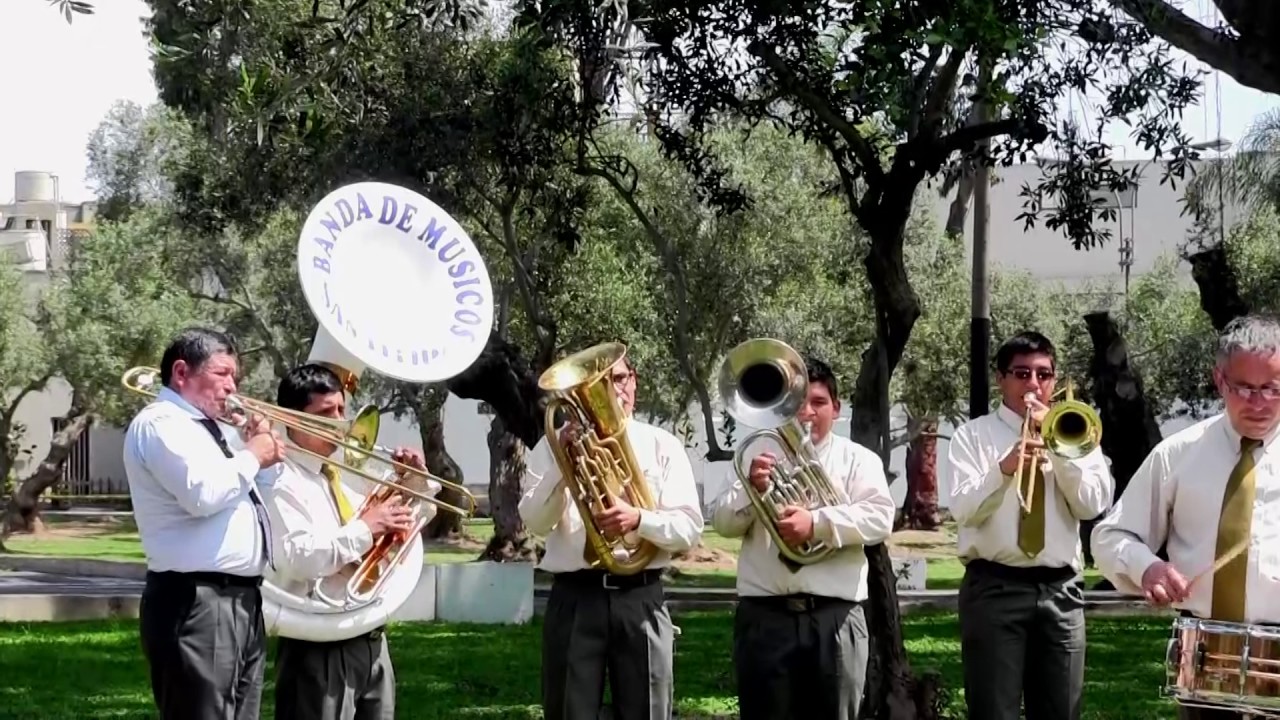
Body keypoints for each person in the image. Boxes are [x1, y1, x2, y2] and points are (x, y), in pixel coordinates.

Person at [1092, 314, 1280, 720]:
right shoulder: (1178, 454)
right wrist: (1147, 568)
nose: (1259, 402)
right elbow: (1110, 535)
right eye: (1244, 388)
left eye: (1273, 388)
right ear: (1219, 380)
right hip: (1203, 659)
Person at [519, 347, 704, 720]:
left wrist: (639, 520)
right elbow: (534, 524)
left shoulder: (662, 445)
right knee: (569, 709)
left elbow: (688, 529)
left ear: (633, 382)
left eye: (618, 378)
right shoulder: (552, 446)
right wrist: (562, 462)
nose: (611, 389)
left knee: (648, 710)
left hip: (641, 596)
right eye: (599, 383)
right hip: (575, 597)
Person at [709, 355, 894, 720]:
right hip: (765, 617)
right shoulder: (755, 456)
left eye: (819, 402)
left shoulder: (859, 460)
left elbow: (879, 520)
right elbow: (723, 524)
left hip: (835, 618)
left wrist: (817, 523)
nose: (807, 412)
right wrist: (753, 488)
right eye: (798, 402)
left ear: (837, 409)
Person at [947, 330, 1114, 720]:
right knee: (993, 710)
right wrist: (1004, 469)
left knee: (1061, 711)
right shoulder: (972, 437)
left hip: (1061, 590)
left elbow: (1092, 505)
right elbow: (964, 510)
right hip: (994, 587)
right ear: (1001, 378)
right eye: (1022, 374)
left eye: (1044, 374)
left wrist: (1061, 452)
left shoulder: (1079, 433)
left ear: (1055, 380)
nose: (1034, 385)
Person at [123, 327, 286, 720]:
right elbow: (202, 495)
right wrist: (251, 455)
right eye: (222, 374)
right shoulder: (161, 423)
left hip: (242, 598)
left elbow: (254, 491)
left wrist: (263, 453)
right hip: (195, 599)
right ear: (182, 372)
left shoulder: (219, 431)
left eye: (235, 377)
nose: (232, 387)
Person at [264, 363, 437, 720]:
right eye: (327, 413)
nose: (342, 422)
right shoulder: (279, 480)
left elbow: (413, 521)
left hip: (370, 633)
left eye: (342, 409)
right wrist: (365, 528)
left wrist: (414, 482)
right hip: (317, 643)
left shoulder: (349, 468)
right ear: (293, 418)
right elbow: (300, 557)